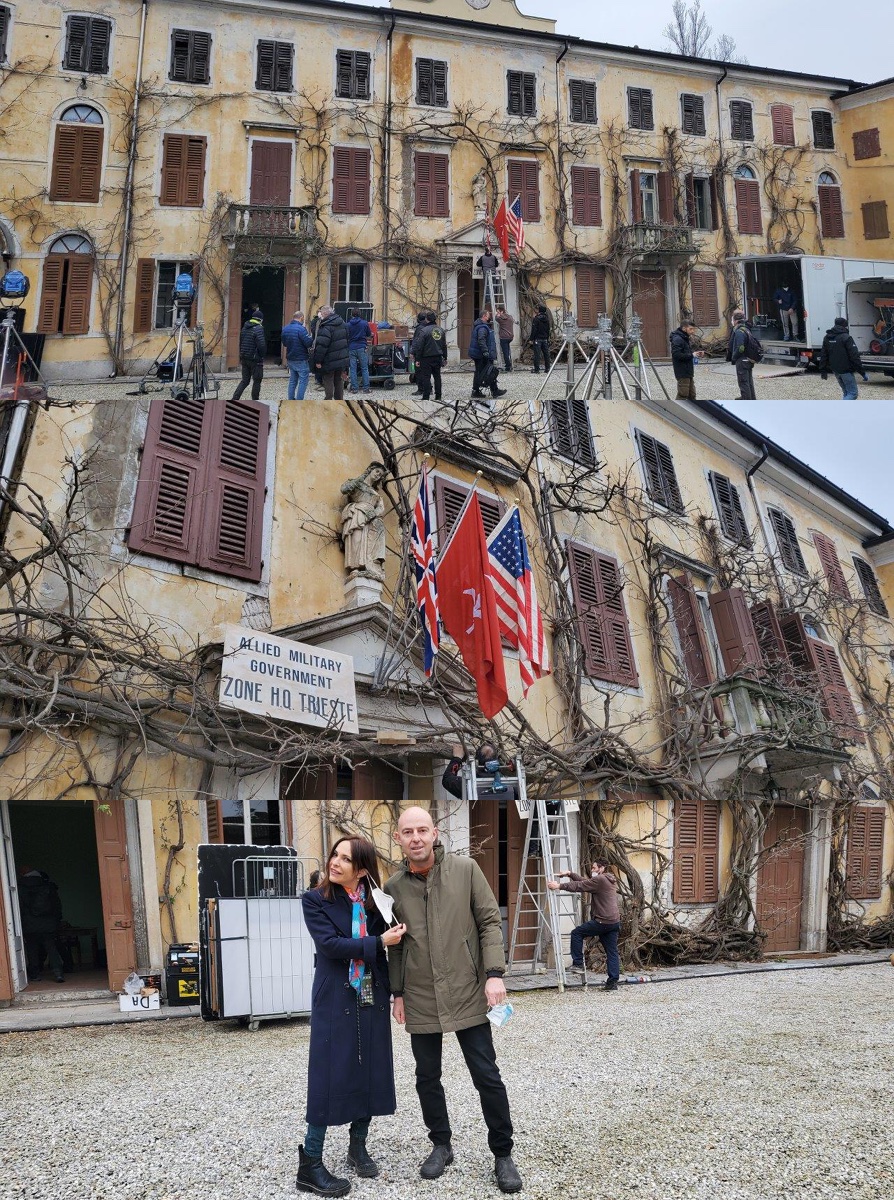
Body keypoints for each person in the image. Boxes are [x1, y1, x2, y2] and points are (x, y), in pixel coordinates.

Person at [384, 807, 523, 1195]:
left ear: (435, 833)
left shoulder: (466, 870)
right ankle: (441, 1145)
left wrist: (494, 974)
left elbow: (488, 922)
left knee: (486, 1075)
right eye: (408, 831)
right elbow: (395, 947)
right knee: (427, 1077)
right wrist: (398, 993)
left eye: (422, 830)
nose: (415, 838)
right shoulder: (392, 888)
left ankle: (503, 1153)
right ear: (398, 838)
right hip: (421, 994)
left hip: (467, 989)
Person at [298, 837, 407, 1197]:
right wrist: (379, 943)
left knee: (371, 1068)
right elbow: (329, 946)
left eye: (346, 859)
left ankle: (357, 1146)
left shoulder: (377, 903)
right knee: (328, 1072)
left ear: (361, 869)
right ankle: (310, 1162)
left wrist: (396, 994)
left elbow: (390, 950)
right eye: (335, 855)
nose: (335, 863)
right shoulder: (315, 900)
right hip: (334, 996)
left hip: (371, 993)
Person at [546, 859, 620, 991]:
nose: (592, 870)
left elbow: (580, 886)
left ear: (601, 868)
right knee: (612, 952)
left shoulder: (600, 880)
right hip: (613, 922)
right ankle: (612, 983)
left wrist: (559, 886)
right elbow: (584, 882)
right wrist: (570, 874)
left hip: (602, 921)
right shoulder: (608, 879)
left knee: (577, 933)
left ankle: (578, 963)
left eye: (594, 868)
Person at [19, 867, 64, 983]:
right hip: (48, 924)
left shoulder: (20, 888)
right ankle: (58, 973)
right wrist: (57, 922)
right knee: (51, 948)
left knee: (32, 949)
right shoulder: (48, 886)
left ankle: (34, 974)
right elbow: (57, 906)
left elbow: (20, 908)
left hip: (29, 925)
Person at [817, 316, 869, 400]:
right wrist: (862, 373)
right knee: (853, 394)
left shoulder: (827, 337)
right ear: (845, 326)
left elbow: (823, 355)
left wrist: (823, 370)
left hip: (835, 370)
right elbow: (854, 356)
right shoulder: (846, 337)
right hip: (846, 370)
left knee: (846, 392)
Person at [468, 309, 507, 403]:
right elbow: (481, 340)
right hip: (482, 355)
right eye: (488, 315)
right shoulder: (482, 327)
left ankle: (478, 391)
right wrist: (485, 351)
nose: (489, 317)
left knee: (482, 372)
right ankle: (492, 391)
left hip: (479, 354)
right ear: (484, 316)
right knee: (490, 371)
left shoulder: (481, 326)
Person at [410, 311, 448, 402]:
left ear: (427, 319)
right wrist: (445, 357)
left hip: (426, 358)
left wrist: (417, 359)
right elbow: (444, 345)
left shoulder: (424, 331)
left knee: (426, 377)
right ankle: (438, 396)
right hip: (438, 357)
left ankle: (426, 396)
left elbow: (420, 346)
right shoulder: (441, 330)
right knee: (437, 377)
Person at [313, 306, 350, 401]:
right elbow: (347, 340)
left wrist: (318, 361)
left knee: (328, 379)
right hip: (341, 358)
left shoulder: (326, 326)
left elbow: (322, 345)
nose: (320, 314)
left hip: (329, 359)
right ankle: (339, 399)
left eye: (321, 312)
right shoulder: (342, 323)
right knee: (338, 380)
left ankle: (328, 399)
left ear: (325, 313)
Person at [231, 306, 266, 402]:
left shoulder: (245, 327)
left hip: (245, 357)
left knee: (245, 381)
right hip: (255, 359)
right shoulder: (259, 328)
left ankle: (235, 398)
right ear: (260, 319)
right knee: (257, 381)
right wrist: (262, 355)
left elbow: (241, 341)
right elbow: (261, 345)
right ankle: (255, 401)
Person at [726, 309, 759, 400]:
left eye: (733, 320)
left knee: (743, 383)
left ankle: (746, 399)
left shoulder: (739, 331)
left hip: (742, 360)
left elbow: (740, 348)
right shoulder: (747, 329)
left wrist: (734, 357)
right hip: (748, 359)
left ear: (735, 321)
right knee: (749, 382)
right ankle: (752, 399)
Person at [281, 310, 313, 401]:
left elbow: (285, 343)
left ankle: (291, 399)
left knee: (292, 380)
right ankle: (299, 401)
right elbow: (308, 343)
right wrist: (311, 338)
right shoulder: (301, 329)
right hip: (301, 358)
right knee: (303, 381)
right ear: (301, 317)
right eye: (303, 318)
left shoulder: (285, 328)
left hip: (290, 357)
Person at [669, 320, 704, 400]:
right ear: (684, 328)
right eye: (691, 329)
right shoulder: (678, 339)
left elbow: (685, 352)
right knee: (683, 395)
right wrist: (692, 355)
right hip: (682, 371)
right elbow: (676, 355)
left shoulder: (684, 337)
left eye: (693, 329)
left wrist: (696, 353)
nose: (693, 331)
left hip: (688, 371)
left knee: (692, 395)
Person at [346, 308, 372, 394]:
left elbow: (346, 336)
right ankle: (366, 388)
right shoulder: (364, 323)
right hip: (362, 347)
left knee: (353, 369)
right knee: (364, 368)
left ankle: (355, 388)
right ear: (360, 314)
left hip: (351, 348)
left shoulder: (348, 325)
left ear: (352, 315)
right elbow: (369, 334)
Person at [529, 305, 551, 373]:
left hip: (537, 339)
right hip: (545, 339)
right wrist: (547, 338)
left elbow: (534, 329)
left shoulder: (536, 319)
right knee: (546, 354)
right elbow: (548, 330)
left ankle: (537, 369)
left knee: (537, 355)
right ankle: (547, 369)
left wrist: (531, 339)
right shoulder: (547, 319)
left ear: (539, 311)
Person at [495, 305, 515, 372]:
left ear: (502, 311)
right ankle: (510, 364)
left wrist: (497, 315)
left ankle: (508, 366)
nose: (497, 313)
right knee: (508, 352)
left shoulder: (500, 319)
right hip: (510, 336)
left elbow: (496, 318)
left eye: (498, 312)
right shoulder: (510, 317)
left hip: (504, 337)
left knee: (505, 353)